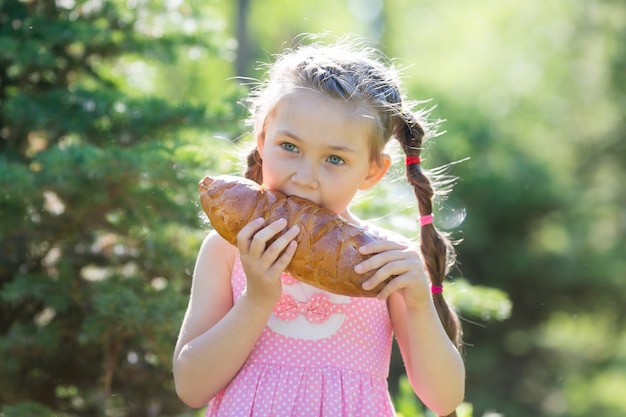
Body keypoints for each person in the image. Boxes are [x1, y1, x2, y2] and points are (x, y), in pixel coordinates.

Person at [173, 36, 465, 417]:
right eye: (290, 147)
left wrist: (420, 304)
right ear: (263, 140)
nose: (306, 177)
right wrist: (258, 298)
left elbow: (443, 399)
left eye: (334, 159)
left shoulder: (383, 262)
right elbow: (191, 386)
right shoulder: (228, 248)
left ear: (372, 170)